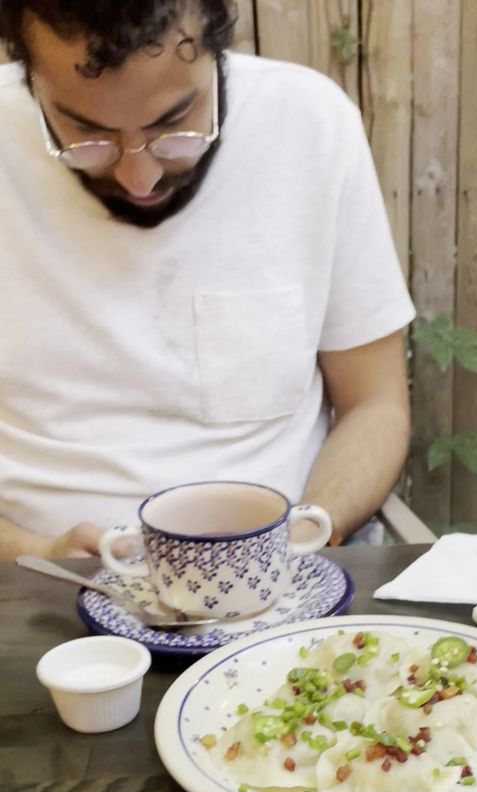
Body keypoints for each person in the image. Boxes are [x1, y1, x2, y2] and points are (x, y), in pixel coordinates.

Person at [0, 1, 415, 559]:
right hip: (34, 586)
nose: (139, 177)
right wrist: (36, 552)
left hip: (283, 582)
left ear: (219, 50)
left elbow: (375, 405)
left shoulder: (308, 123)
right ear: (27, 73)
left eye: (173, 125)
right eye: (86, 133)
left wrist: (310, 529)